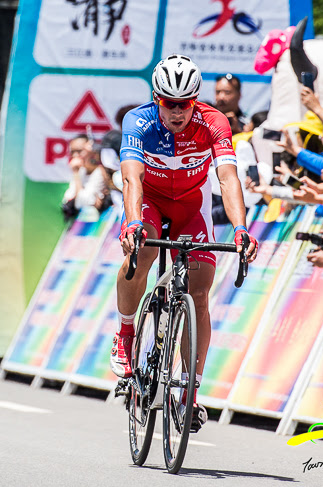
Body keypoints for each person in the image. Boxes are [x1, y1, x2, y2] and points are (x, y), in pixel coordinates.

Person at [113, 54, 259, 431]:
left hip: (192, 205)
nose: (177, 112)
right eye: (169, 103)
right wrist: (131, 223)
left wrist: (241, 229)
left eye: (185, 104)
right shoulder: (138, 121)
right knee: (142, 250)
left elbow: (227, 179)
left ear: (195, 100)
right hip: (149, 201)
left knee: (199, 292)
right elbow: (132, 179)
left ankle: (189, 393)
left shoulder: (213, 122)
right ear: (156, 98)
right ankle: (126, 332)